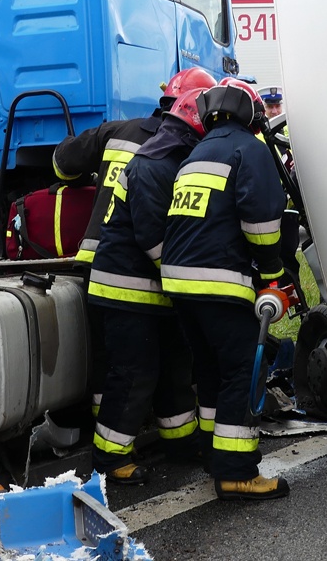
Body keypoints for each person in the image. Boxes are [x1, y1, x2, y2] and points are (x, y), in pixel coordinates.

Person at [52, 67, 218, 417]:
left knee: (106, 363)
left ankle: (101, 436)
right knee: (163, 361)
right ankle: (130, 441)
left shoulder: (116, 131)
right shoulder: (189, 151)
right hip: (149, 270)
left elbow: (63, 164)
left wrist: (86, 178)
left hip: (96, 265)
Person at [161, 78, 291, 500]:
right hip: (218, 283)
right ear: (250, 113)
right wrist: (273, 274)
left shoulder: (196, 154)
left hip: (179, 286)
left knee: (211, 372)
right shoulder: (249, 150)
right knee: (241, 371)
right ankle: (236, 472)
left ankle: (215, 457)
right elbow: (261, 225)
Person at [87, 88, 209, 484]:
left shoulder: (173, 158)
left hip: (154, 290)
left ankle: (180, 441)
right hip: (127, 289)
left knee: (175, 366)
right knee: (134, 372)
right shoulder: (155, 164)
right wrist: (182, 278)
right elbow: (153, 237)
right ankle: (110, 459)